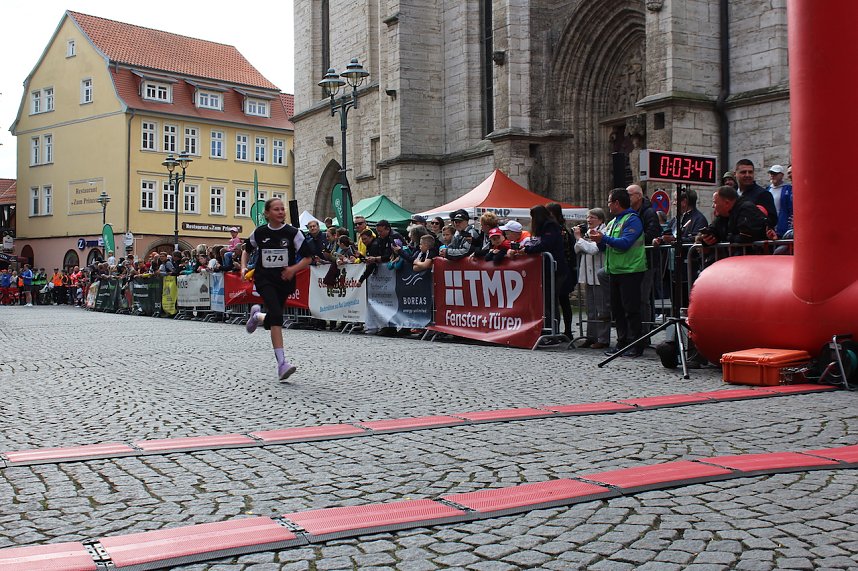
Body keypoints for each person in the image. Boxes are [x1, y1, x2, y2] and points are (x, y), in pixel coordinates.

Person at [241, 198, 313, 381]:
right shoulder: (260, 232)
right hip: (265, 279)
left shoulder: (292, 233)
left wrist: (292, 269)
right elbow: (246, 249)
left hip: (285, 280)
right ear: (267, 213)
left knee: (275, 316)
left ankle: (257, 317)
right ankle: (282, 364)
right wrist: (243, 267)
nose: (281, 212)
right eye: (276, 209)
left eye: (282, 209)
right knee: (277, 316)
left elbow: (308, 258)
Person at [590, 188, 646, 358]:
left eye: (609, 201)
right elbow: (605, 246)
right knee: (618, 310)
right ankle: (622, 343)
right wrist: (598, 240)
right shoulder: (614, 221)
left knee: (631, 310)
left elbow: (625, 243)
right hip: (615, 270)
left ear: (616, 203)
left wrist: (603, 238)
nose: (607, 205)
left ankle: (636, 345)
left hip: (630, 270)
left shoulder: (633, 220)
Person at [524, 205, 572, 340]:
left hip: (556, 269)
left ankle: (553, 331)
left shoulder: (550, 226)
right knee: (548, 300)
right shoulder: (548, 226)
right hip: (549, 269)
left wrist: (527, 249)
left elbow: (546, 244)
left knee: (551, 300)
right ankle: (549, 329)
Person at [573, 208, 610, 349]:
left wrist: (579, 240)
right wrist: (582, 241)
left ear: (600, 219)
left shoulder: (603, 232)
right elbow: (578, 249)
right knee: (591, 308)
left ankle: (603, 338)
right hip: (588, 275)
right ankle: (591, 336)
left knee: (601, 308)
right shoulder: (588, 233)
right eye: (588, 217)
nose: (589, 220)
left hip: (599, 274)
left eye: (592, 217)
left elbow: (593, 249)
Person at [698, 185, 768, 248]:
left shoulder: (746, 209)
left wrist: (729, 237)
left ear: (727, 203)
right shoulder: (723, 215)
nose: (713, 206)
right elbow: (714, 229)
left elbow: (746, 237)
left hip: (754, 258)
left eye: (715, 202)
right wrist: (707, 239)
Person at [735, 159, 777, 230]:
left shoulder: (763, 194)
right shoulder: (731, 193)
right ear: (735, 174)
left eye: (750, 172)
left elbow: (772, 221)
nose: (747, 175)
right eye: (743, 172)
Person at [766, 164, 793, 238]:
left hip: (784, 226)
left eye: (775, 173)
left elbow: (791, 209)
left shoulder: (788, 189)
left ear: (781, 175)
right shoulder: (767, 190)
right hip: (770, 227)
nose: (772, 175)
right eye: (771, 173)